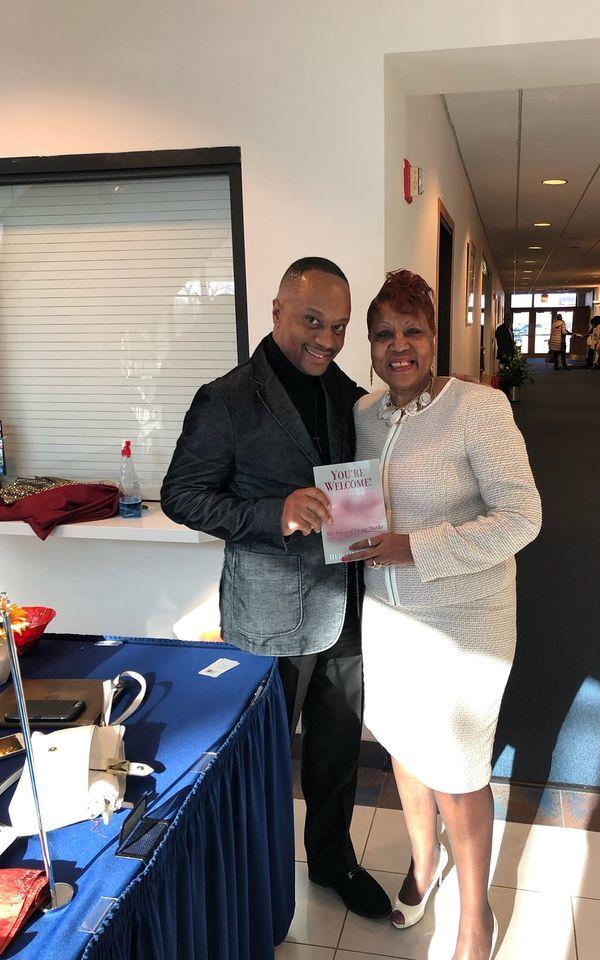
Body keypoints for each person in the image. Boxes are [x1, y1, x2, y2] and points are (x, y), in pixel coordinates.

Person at [161, 257, 391, 920]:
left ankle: (332, 860)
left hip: (345, 602)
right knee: (260, 759)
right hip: (268, 615)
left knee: (337, 747)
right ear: (277, 312)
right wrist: (273, 513)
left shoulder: (347, 394)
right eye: (313, 321)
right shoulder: (228, 399)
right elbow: (182, 496)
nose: (327, 339)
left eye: (339, 326)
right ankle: (252, 881)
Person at [348, 270, 542, 960]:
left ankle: (474, 916)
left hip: (467, 618)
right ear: (370, 345)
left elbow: (522, 518)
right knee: (404, 746)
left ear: (435, 338)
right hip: (389, 617)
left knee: (458, 770)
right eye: (384, 334)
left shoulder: (479, 409)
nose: (398, 345)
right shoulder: (365, 414)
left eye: (413, 331)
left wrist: (416, 548)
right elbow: (358, 504)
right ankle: (426, 864)